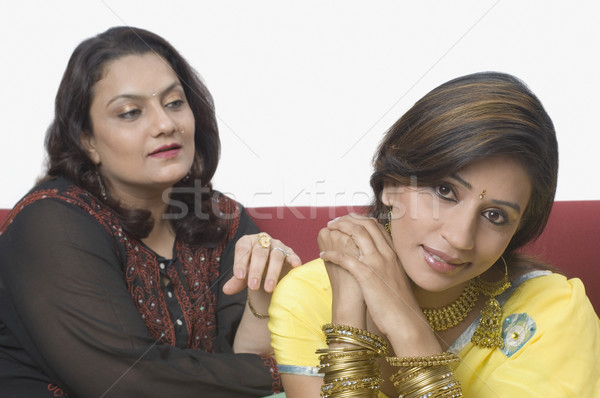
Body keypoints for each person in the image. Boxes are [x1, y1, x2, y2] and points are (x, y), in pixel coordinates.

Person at [0, 26, 301, 398]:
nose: (165, 124)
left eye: (174, 102)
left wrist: (263, 298)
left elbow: (238, 369)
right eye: (130, 112)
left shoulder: (220, 218)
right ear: (88, 141)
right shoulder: (51, 222)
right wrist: (292, 370)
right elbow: (128, 382)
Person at [268, 72, 600, 397]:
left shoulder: (554, 311)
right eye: (445, 191)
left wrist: (407, 324)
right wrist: (348, 326)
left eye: (495, 216)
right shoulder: (306, 297)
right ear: (391, 185)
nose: (460, 238)